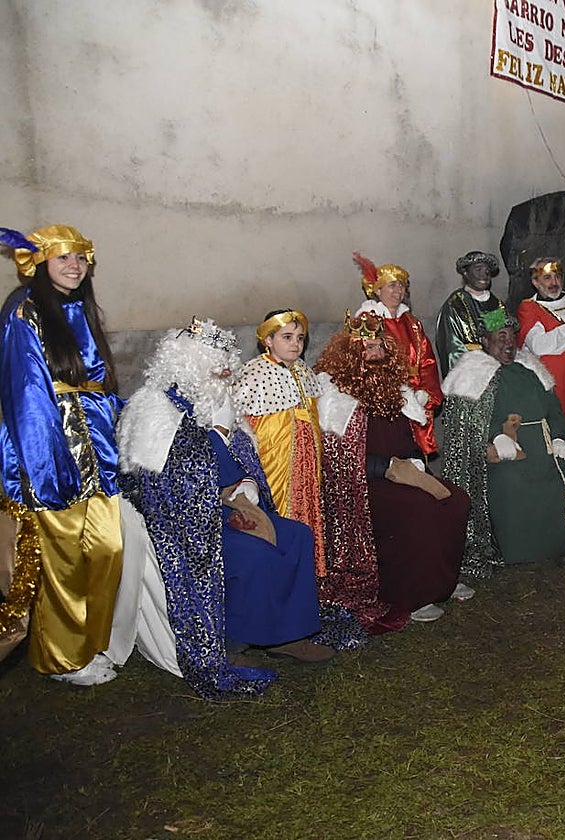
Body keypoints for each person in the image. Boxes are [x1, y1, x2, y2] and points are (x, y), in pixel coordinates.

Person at [116, 319, 335, 698]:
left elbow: (240, 456)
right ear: (189, 364)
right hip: (184, 522)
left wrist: (245, 485)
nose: (226, 371)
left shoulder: (216, 401)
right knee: (253, 554)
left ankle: (289, 632)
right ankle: (236, 641)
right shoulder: (155, 409)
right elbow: (154, 482)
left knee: (296, 535)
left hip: (227, 505)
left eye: (227, 362)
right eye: (217, 363)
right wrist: (219, 490)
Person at [0, 225, 123, 686]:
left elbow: (98, 382)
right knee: (64, 559)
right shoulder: (24, 311)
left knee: (107, 548)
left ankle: (91, 641)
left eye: (80, 258)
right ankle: (63, 658)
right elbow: (27, 396)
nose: (75, 266)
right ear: (39, 264)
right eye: (63, 259)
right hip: (51, 451)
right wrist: (43, 467)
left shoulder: (81, 308)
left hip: (96, 449)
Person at [316, 311, 472, 632]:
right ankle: (415, 595)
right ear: (350, 354)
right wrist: (385, 467)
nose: (374, 354)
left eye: (379, 347)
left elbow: (408, 441)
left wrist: (414, 463)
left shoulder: (395, 390)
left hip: (404, 473)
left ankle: (443, 580)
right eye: (366, 348)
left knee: (457, 499)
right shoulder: (336, 396)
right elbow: (338, 458)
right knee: (418, 508)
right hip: (363, 484)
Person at [442, 307, 565, 575]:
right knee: (511, 481)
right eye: (500, 336)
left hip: (544, 446)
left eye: (510, 336)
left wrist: (561, 437)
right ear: (485, 341)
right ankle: (517, 549)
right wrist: (495, 438)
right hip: (505, 452)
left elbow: (554, 409)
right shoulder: (473, 372)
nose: (508, 342)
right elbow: (466, 426)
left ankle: (555, 543)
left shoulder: (530, 369)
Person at [233, 309, 330, 575]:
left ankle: (305, 575)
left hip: (306, 465)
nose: (295, 344)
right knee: (277, 518)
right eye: (287, 337)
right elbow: (243, 426)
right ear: (268, 340)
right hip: (274, 464)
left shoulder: (303, 371)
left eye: (300, 338)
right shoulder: (255, 374)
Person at [351, 252, 443, 456]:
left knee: (415, 458)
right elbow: (364, 360)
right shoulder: (368, 320)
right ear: (377, 290)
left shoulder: (413, 323)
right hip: (385, 402)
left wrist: (426, 393)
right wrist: (394, 393)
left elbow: (427, 361)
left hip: (416, 397)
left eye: (401, 285)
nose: (398, 290)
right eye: (392, 285)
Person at [516, 257, 565, 441]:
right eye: (547, 278)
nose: (554, 283)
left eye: (557, 276)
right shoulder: (529, 308)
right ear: (535, 282)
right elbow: (540, 346)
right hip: (546, 386)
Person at [434, 250, 504, 375]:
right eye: (478, 270)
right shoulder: (455, 304)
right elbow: (451, 347)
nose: (484, 275)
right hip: (470, 373)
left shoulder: (496, 304)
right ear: (466, 273)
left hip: (497, 369)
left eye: (487, 271)